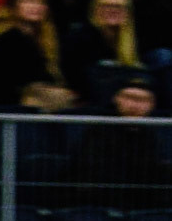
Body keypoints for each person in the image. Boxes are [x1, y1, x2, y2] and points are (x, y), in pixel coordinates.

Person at [65, 78, 166, 208]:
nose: (134, 105)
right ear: (116, 99)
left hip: (140, 201)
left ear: (152, 105)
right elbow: (92, 172)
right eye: (129, 97)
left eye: (143, 100)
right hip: (99, 200)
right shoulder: (98, 130)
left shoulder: (152, 136)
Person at [0, 0, 66, 108]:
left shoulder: (42, 41)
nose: (35, 6)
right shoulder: (8, 39)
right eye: (29, 1)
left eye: (41, 2)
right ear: (14, 6)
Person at [61, 0, 143, 103]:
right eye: (107, 6)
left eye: (119, 6)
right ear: (96, 9)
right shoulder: (79, 37)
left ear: (127, 12)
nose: (113, 10)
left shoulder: (136, 39)